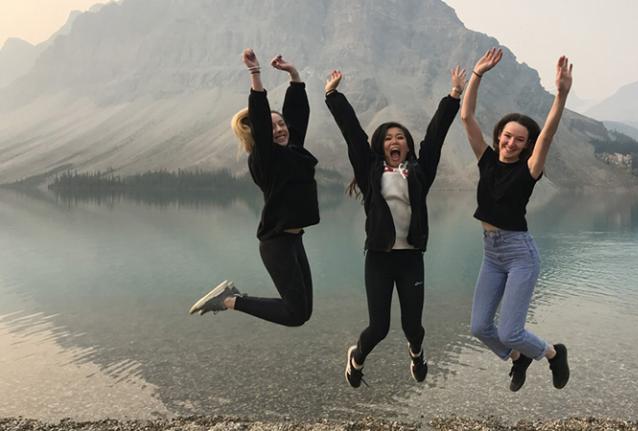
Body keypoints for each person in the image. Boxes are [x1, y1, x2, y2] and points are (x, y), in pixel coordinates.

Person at [324, 66, 465, 387]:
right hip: (378, 258)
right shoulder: (369, 171)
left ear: (408, 146)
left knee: (412, 326)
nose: (394, 140)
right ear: (380, 146)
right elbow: (353, 134)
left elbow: (436, 136)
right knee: (379, 327)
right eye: (388, 138)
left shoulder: (420, 171)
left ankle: (417, 353)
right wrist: (333, 96)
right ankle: (356, 358)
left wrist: (453, 95)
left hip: (411, 258)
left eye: (400, 137)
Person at [460, 47, 572, 391]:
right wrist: (477, 74)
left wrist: (562, 94)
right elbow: (466, 117)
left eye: (519, 140)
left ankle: (553, 353)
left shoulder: (530, 169)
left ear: (527, 145)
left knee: (510, 330)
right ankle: (517, 357)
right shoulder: (487, 159)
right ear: (499, 137)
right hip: (491, 253)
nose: (511, 143)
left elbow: (549, 134)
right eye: (507, 136)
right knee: (480, 328)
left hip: (519, 253)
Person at [188, 49, 318, 327]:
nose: (281, 129)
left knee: (302, 313)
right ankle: (228, 300)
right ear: (260, 135)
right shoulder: (264, 159)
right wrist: (255, 74)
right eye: (273, 128)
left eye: (282, 124)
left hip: (294, 240)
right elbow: (260, 118)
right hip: (277, 243)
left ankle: (231, 298)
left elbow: (299, 114)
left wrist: (294, 75)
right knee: (295, 315)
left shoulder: (294, 151)